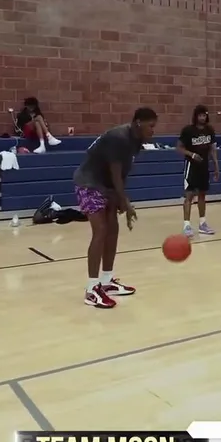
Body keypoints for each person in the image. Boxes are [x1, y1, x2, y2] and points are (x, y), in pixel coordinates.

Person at [73, 108, 157, 309]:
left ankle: (106, 281)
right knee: (100, 230)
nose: (153, 130)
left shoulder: (136, 141)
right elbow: (115, 173)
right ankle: (91, 289)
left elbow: (123, 172)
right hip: (89, 183)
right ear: (138, 122)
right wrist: (125, 201)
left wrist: (120, 199)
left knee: (113, 229)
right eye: (151, 126)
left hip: (107, 185)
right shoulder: (119, 137)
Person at [177, 104, 219, 237]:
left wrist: (216, 166)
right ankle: (186, 225)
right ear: (195, 116)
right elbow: (179, 148)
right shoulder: (188, 130)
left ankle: (202, 224)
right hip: (191, 166)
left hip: (204, 167)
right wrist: (192, 155)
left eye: (204, 115)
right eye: (200, 115)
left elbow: (212, 149)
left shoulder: (209, 130)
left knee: (202, 195)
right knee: (189, 196)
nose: (202, 118)